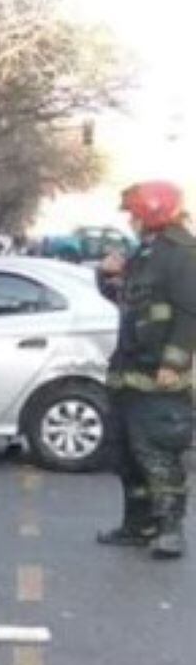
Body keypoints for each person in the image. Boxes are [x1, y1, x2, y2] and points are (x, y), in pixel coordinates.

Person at [98, 181, 196, 559]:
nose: (131, 221)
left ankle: (170, 530)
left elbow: (190, 312)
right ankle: (137, 525)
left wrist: (174, 362)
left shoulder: (182, 253)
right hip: (130, 367)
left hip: (159, 375)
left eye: (135, 214)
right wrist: (107, 275)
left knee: (159, 451)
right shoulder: (145, 252)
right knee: (127, 454)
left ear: (152, 213)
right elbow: (128, 299)